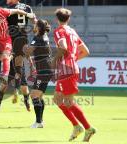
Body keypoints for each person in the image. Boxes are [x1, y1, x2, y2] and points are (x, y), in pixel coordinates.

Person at [52, 8, 96, 142]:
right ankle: (77, 126)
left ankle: (88, 128)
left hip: (66, 69)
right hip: (70, 68)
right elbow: (86, 51)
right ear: (68, 19)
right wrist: (73, 60)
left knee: (68, 102)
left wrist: (54, 60)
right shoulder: (72, 31)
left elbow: (63, 47)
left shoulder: (59, 31)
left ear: (57, 19)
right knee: (57, 100)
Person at [0, 0, 36, 112]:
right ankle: (25, 101)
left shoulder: (9, 10)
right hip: (22, 42)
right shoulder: (27, 7)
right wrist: (34, 26)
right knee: (19, 70)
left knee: (6, 74)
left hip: (10, 42)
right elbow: (34, 19)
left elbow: (1, 25)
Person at [23, 19, 53, 128]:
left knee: (34, 95)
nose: (33, 26)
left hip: (43, 70)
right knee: (39, 96)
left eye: (35, 25)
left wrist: (24, 48)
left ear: (39, 27)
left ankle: (38, 122)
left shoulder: (37, 38)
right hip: (46, 69)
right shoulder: (45, 36)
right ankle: (40, 121)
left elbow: (28, 51)